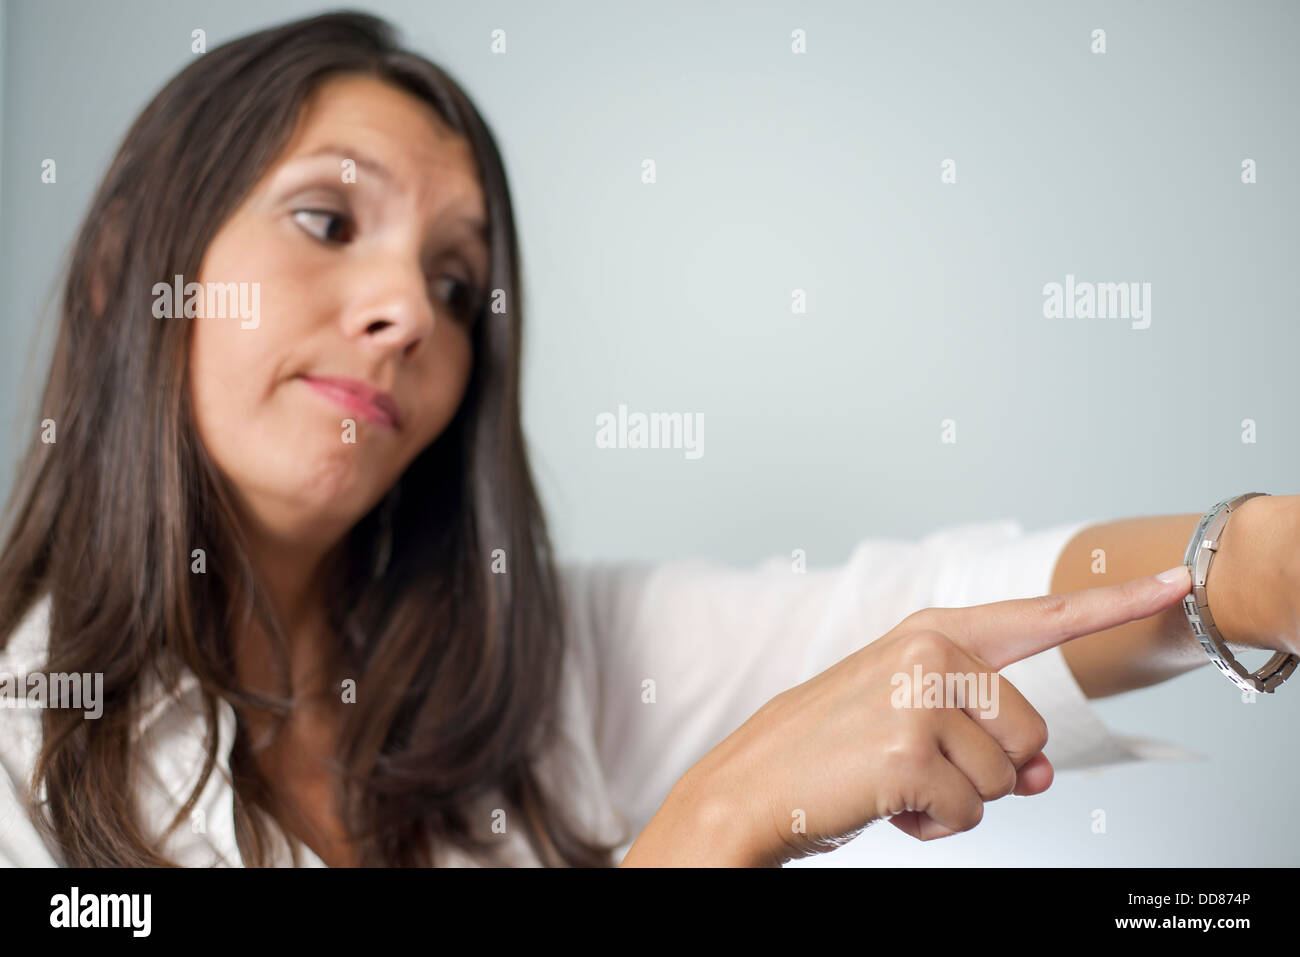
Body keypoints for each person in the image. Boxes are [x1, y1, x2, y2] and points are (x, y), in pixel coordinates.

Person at [1, 11, 1296, 868]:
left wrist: (1251, 566)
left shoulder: (529, 663)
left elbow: (927, 607)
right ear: (127, 267)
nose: (407, 314)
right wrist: (716, 822)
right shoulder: (22, 746)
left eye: (458, 285)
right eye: (329, 221)